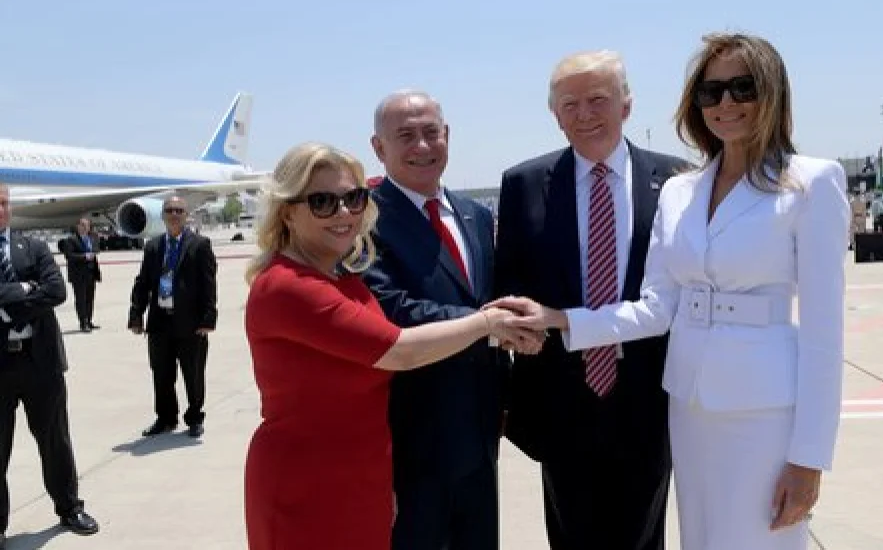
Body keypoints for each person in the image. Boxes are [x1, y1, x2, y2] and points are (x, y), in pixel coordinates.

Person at [492, 33, 849, 549]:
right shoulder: (683, 189)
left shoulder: (812, 182)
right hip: (688, 404)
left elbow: (823, 336)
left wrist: (809, 457)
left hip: (763, 410)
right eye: (711, 91)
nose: (725, 103)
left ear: (771, 92)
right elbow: (658, 307)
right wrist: (562, 320)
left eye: (742, 88)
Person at [242, 142, 539, 550]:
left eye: (354, 198)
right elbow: (399, 350)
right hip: (309, 481)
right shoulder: (288, 287)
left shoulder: (343, 279)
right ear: (287, 211)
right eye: (322, 202)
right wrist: (488, 322)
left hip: (364, 473)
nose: (343, 213)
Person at [494, 50, 689, 550]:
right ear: (555, 114)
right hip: (562, 404)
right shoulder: (523, 185)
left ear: (627, 104)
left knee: (644, 538)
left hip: (649, 400)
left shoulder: (677, 181)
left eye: (598, 99)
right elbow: (509, 285)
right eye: (570, 104)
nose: (584, 114)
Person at [363, 90, 516, 550]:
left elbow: (490, 296)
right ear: (379, 148)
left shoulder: (475, 215)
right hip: (411, 438)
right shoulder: (363, 221)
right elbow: (392, 310)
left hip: (481, 433)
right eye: (406, 136)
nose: (422, 146)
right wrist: (488, 322)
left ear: (447, 135)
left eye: (432, 133)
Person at [0, 184, 99, 548]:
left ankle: (69, 507)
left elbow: (56, 290)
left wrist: (9, 304)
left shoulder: (34, 247)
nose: (1, 210)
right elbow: (41, 292)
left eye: (4, 203)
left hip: (40, 362)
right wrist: (25, 290)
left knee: (55, 439)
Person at [128, 196, 217, 438]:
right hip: (160, 321)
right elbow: (143, 283)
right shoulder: (153, 247)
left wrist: (208, 318)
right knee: (161, 374)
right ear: (163, 215)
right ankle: (165, 418)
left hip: (191, 322)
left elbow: (208, 284)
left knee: (193, 373)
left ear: (186, 215)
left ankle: (194, 417)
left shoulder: (200, 245)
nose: (174, 214)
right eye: (169, 210)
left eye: (179, 210)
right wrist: (136, 314)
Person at [62, 217, 102, 332]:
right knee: (81, 299)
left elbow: (96, 249)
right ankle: (83, 323)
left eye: (87, 225)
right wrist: (84, 256)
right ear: (78, 227)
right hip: (78, 275)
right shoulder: (71, 240)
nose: (85, 228)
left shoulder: (93, 238)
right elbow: (69, 256)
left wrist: (94, 252)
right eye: (82, 225)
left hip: (91, 273)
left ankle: (89, 320)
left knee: (90, 298)